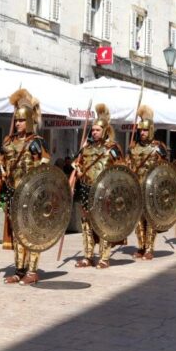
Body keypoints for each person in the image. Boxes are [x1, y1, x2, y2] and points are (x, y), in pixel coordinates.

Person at [0, 89, 50, 285]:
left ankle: (32, 270)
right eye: (16, 120)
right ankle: (19, 270)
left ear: (30, 121)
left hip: (32, 195)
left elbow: (45, 172)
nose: (18, 123)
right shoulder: (8, 143)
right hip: (13, 193)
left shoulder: (36, 143)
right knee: (17, 233)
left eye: (22, 120)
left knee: (31, 232)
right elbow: (2, 169)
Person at [69, 103, 124, 268]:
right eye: (92, 130)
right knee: (86, 223)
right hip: (86, 189)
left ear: (105, 131)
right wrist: (76, 175)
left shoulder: (112, 148)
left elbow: (122, 169)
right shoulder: (85, 149)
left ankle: (104, 257)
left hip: (104, 191)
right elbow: (76, 165)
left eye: (97, 130)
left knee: (103, 222)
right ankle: (88, 256)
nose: (94, 132)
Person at [126, 105, 169, 259]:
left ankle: (150, 248)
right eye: (140, 130)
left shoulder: (158, 148)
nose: (142, 133)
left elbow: (166, 170)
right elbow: (128, 166)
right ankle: (141, 246)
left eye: (144, 130)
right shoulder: (133, 147)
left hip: (152, 187)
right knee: (138, 219)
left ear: (150, 130)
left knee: (150, 218)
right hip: (136, 186)